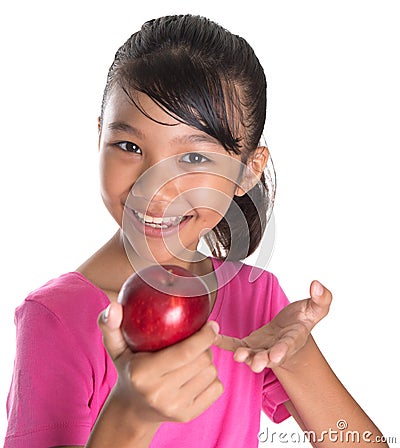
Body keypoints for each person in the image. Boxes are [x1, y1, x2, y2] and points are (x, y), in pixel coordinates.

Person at [5, 14, 387, 448]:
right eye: (130, 146)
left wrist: (297, 359)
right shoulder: (56, 320)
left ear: (247, 171)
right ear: (99, 139)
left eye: (193, 159)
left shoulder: (256, 300)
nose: (154, 186)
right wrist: (130, 416)